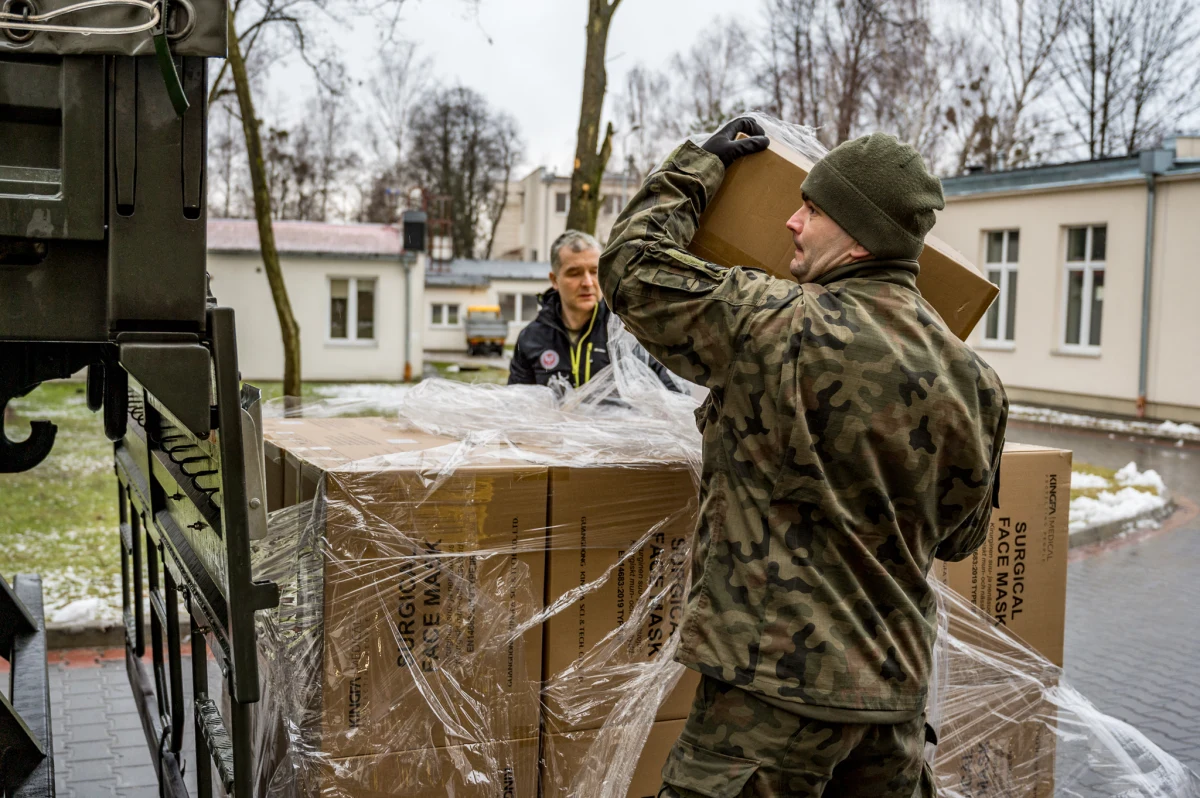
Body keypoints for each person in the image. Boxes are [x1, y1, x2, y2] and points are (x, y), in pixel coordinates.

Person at [599, 118, 1008, 798]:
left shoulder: (776, 324)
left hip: (768, 712)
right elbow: (961, 538)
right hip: (892, 715)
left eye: (811, 210)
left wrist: (698, 167)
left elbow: (632, 269)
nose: (790, 222)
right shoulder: (977, 383)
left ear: (856, 237)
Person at [508, 229, 679, 391]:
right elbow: (518, 405)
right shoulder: (531, 339)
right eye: (574, 273)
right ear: (554, 280)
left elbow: (673, 394)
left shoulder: (629, 330)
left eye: (595, 272)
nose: (588, 283)